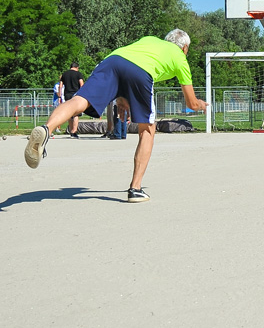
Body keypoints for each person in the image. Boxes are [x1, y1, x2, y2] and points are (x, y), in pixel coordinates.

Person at [24, 30, 209, 203]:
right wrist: (201, 104)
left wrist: (121, 98)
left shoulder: (150, 40)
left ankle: (46, 129)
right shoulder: (180, 58)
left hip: (112, 60)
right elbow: (190, 103)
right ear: (184, 48)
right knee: (148, 130)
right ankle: (135, 189)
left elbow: (125, 65)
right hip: (141, 71)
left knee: (81, 99)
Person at [60, 62, 84, 138]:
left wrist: (60, 96)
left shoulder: (64, 74)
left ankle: (70, 131)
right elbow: (81, 84)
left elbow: (60, 85)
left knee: (69, 113)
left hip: (67, 94)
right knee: (76, 113)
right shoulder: (78, 74)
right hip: (76, 94)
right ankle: (74, 131)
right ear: (77, 67)